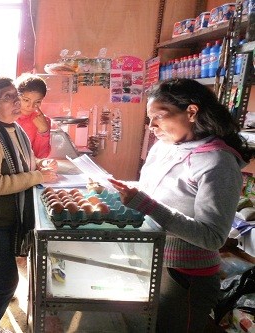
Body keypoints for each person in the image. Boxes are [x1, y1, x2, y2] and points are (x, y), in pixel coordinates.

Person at [108, 78, 251, 333]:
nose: (151, 126)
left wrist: (147, 205)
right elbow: (155, 193)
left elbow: (212, 236)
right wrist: (125, 190)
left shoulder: (218, 163)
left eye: (159, 117)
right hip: (150, 261)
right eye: (149, 118)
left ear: (192, 112)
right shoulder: (164, 147)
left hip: (185, 277)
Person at [0, 77, 58, 333]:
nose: (17, 102)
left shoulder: (14, 129)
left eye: (15, 96)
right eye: (8, 98)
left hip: (6, 220)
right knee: (5, 281)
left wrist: (39, 166)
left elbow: (22, 162)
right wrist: (37, 177)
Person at [15, 73, 52, 158]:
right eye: (26, 100)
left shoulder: (43, 121)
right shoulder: (5, 116)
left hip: (29, 168)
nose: (31, 106)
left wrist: (43, 131)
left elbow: (40, 156)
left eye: (37, 102)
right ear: (16, 96)